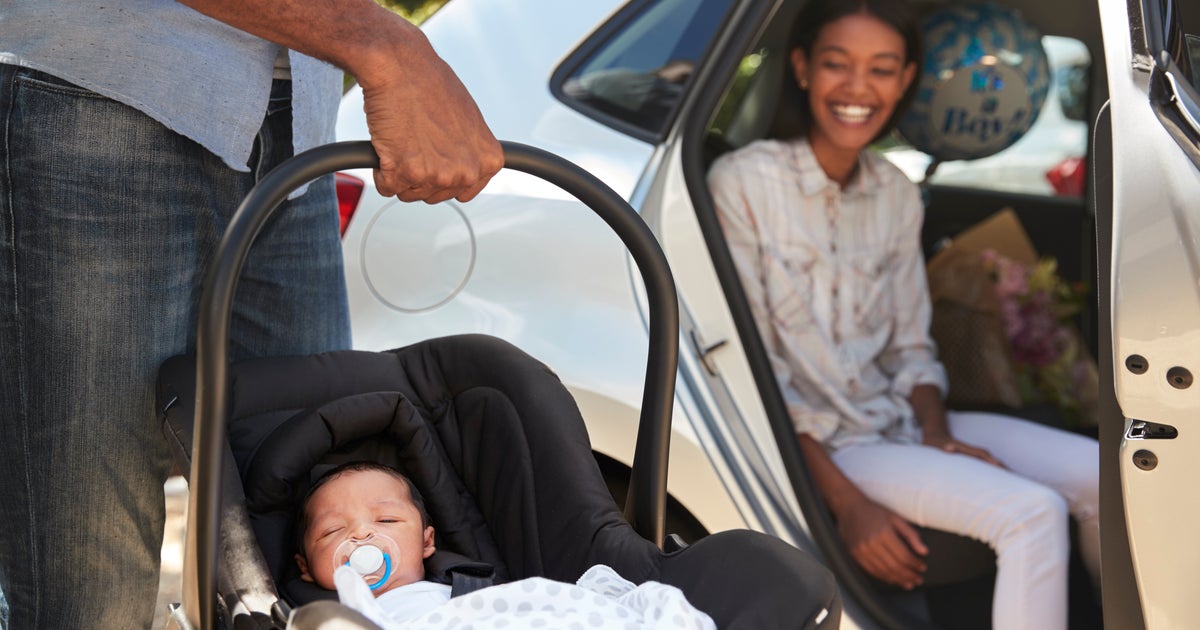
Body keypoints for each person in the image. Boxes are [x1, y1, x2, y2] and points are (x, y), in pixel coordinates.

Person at [0, 1, 503, 628]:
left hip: (298, 117)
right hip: (101, 86)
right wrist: (384, 43)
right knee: (92, 580)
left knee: (279, 527)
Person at [706, 1, 1100, 628]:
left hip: (902, 419)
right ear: (804, 68)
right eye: (838, 64)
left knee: (1103, 475)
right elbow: (757, 374)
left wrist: (939, 434)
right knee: (1032, 514)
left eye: (882, 69)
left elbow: (913, 346)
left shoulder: (893, 191)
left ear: (907, 78)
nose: (859, 89)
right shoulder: (743, 183)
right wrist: (845, 503)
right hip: (832, 443)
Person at [293, 462, 717, 630]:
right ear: (306, 567)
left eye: (385, 520)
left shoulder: (475, 590)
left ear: (427, 541)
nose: (363, 535)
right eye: (333, 532)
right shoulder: (326, 615)